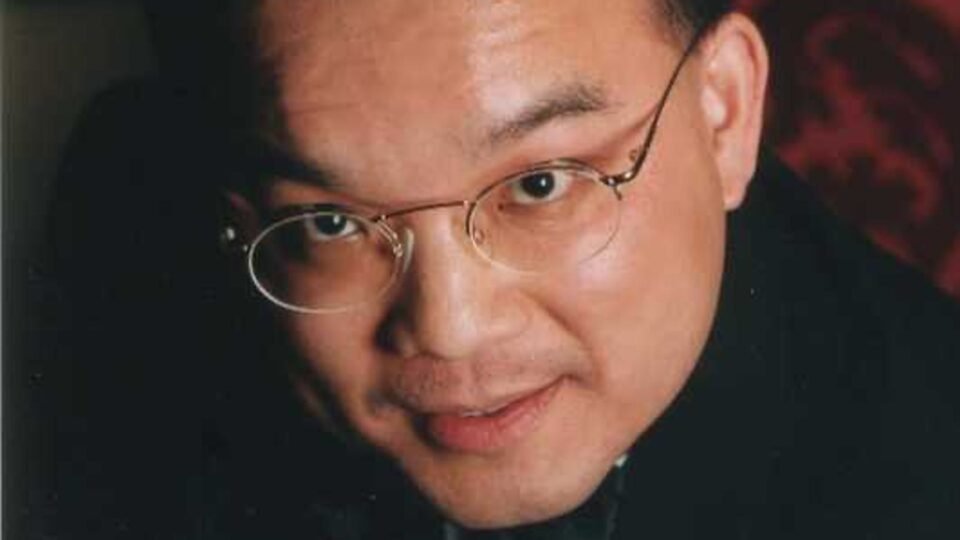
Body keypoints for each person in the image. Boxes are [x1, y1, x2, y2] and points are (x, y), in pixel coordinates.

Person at [39, 0, 960, 539]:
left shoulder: (921, 472)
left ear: (725, 113)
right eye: (329, 221)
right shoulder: (129, 220)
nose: (450, 328)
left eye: (540, 184)